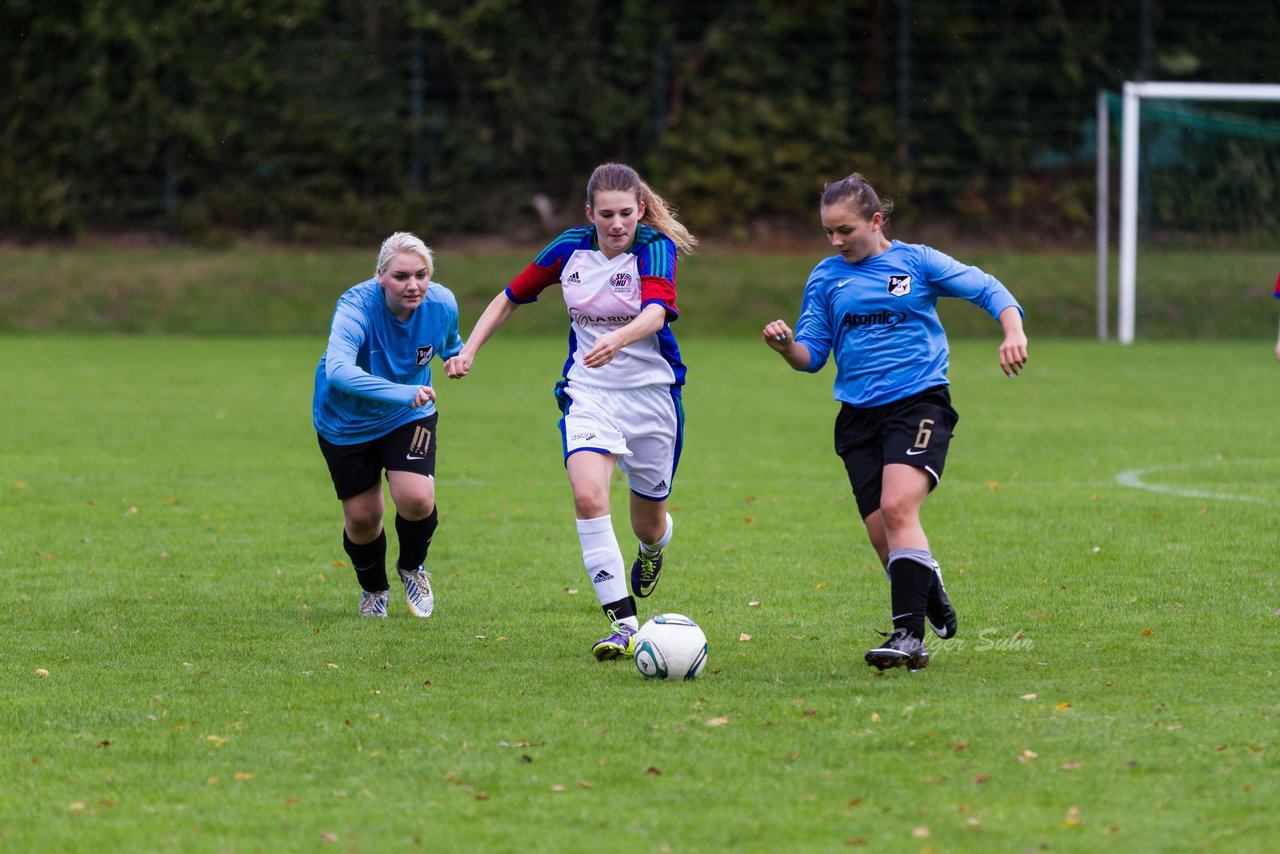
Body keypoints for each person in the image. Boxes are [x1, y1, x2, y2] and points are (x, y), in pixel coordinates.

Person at [762, 173, 1028, 672]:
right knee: (883, 534)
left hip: (919, 403)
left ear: (876, 221)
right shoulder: (826, 278)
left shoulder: (917, 261)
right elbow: (812, 356)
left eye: (846, 230)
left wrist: (1012, 331)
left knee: (898, 507)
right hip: (858, 418)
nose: (836, 241)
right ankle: (927, 584)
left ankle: (909, 637)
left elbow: (988, 289)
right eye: (828, 233)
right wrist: (785, 349)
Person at [444, 162, 697, 660]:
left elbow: (656, 312)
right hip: (589, 393)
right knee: (586, 495)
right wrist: (469, 349)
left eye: (627, 213)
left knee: (648, 523)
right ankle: (623, 624)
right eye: (607, 215)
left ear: (641, 210)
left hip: (652, 397)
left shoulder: (654, 248)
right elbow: (509, 297)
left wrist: (617, 338)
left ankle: (652, 550)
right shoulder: (568, 249)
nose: (618, 224)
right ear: (590, 214)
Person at [313, 231, 463, 617]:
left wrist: (456, 357)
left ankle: (413, 567)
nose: (413, 285)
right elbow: (339, 371)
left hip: (408, 415)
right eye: (401, 276)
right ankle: (374, 590)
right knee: (363, 519)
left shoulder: (442, 302)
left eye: (421, 274)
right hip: (346, 421)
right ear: (380, 275)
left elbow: (449, 343)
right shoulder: (355, 306)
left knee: (416, 498)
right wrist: (400, 391)